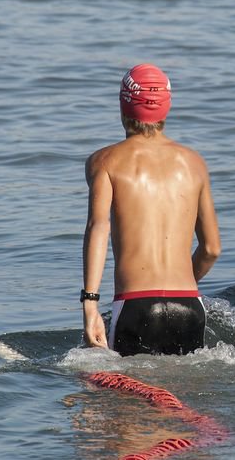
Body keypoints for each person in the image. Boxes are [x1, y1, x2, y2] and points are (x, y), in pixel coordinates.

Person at [82, 64, 221, 356]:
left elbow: (98, 227)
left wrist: (90, 303)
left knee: (119, 398)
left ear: (123, 105)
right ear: (166, 108)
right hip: (189, 305)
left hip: (135, 304)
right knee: (187, 398)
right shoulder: (194, 163)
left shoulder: (104, 161)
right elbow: (211, 249)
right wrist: (179, 284)